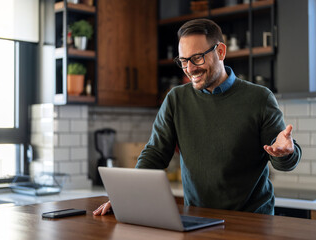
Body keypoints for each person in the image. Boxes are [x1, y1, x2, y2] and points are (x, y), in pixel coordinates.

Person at [94, 18, 301, 216]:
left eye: (197, 58)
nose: (190, 68)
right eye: (183, 61)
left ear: (220, 51)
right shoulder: (176, 99)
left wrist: (284, 153)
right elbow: (155, 154)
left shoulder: (259, 98)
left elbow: (283, 158)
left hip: (252, 221)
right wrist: (127, 196)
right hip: (199, 218)